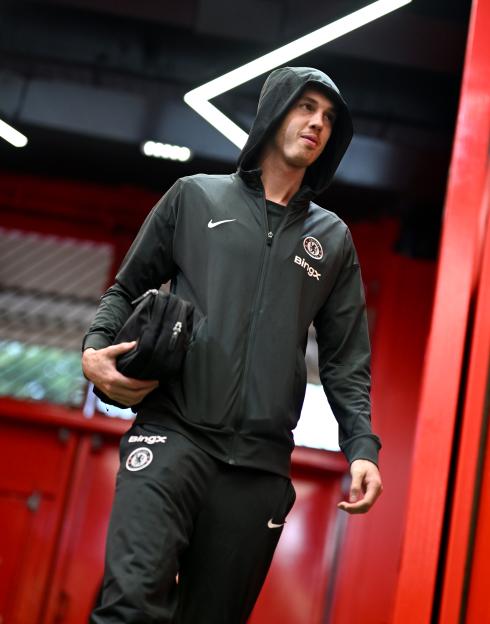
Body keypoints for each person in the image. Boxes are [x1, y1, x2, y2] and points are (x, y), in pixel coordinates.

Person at [82, 66, 383, 623]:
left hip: (258, 468)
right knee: (129, 608)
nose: (317, 122)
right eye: (306, 107)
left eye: (329, 117)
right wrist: (94, 351)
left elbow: (346, 361)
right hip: (171, 435)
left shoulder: (333, 239)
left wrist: (361, 448)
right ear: (274, 113)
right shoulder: (193, 197)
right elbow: (126, 288)